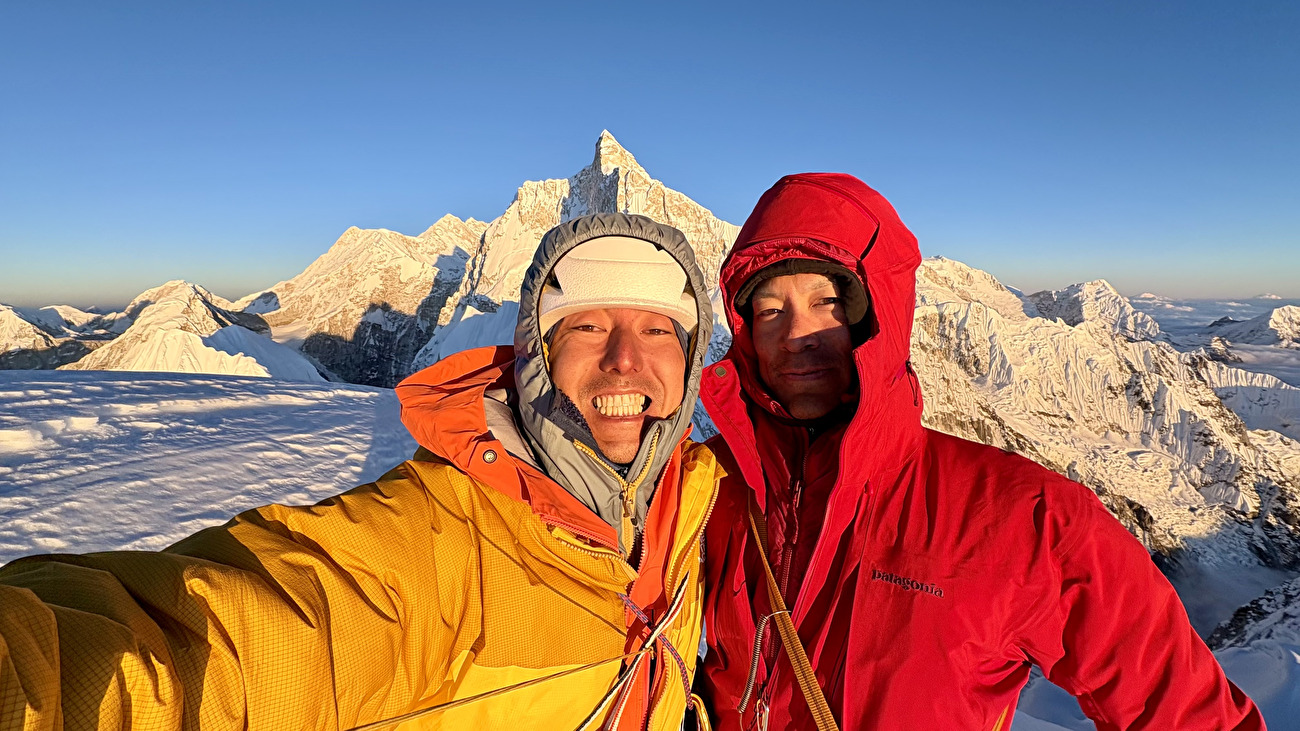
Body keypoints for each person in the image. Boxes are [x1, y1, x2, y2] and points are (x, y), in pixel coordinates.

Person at [0, 212, 723, 730]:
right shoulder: (438, 535)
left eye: (658, 328)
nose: (625, 358)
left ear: (690, 364)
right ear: (535, 357)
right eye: (589, 326)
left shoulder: (695, 507)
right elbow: (229, 641)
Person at [696, 174, 1265, 730]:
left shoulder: (1029, 517)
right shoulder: (703, 487)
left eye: (829, 302)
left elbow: (1181, 709)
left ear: (878, 320)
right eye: (769, 309)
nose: (798, 334)